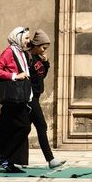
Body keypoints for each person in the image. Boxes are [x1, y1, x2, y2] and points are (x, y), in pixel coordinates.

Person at [0, 27, 33, 174]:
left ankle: (9, 161)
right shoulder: (9, 52)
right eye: (26, 38)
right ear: (18, 38)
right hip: (12, 98)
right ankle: (5, 157)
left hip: (20, 98)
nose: (28, 41)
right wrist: (15, 76)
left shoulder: (21, 53)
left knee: (12, 129)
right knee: (24, 127)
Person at [27, 29, 64, 169]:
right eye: (43, 47)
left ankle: (4, 157)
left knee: (22, 129)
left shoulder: (38, 58)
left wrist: (46, 63)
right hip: (30, 98)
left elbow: (41, 76)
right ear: (36, 45)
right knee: (41, 126)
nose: (44, 50)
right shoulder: (28, 57)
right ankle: (51, 160)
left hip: (35, 97)